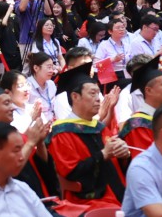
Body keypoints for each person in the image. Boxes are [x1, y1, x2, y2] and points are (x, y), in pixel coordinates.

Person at [46, 66, 127, 206]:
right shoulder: (62, 133)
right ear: (75, 97)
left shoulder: (98, 128)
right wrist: (103, 155)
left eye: (98, 94)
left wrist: (124, 154)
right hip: (86, 199)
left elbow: (115, 163)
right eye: (92, 94)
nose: (98, 99)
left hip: (114, 191)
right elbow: (71, 173)